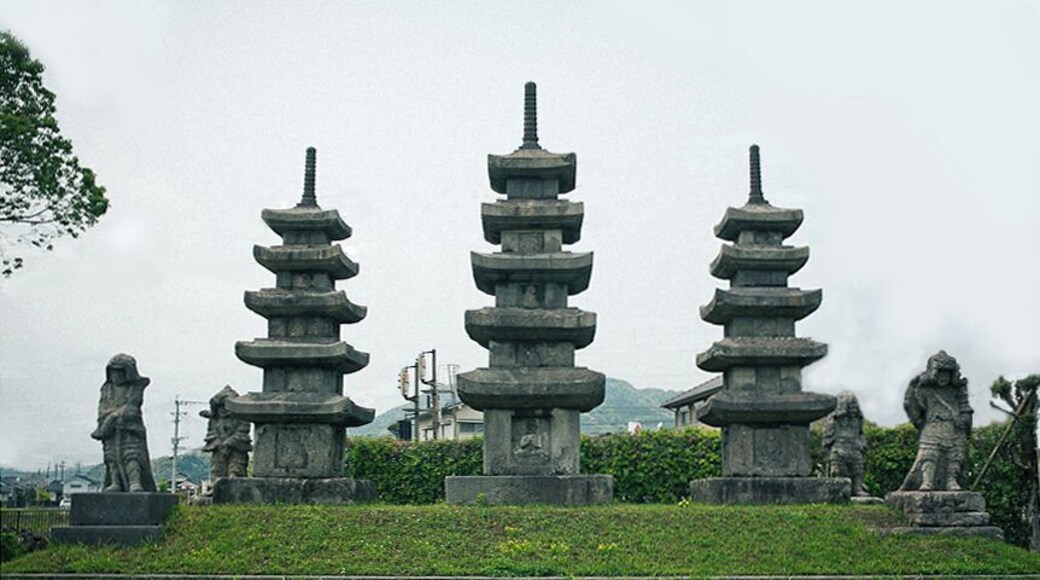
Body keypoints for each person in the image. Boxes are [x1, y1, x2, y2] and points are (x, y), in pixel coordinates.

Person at [899, 350, 973, 491]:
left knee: (955, 456)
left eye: (947, 373)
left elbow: (965, 407)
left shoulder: (958, 390)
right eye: (941, 372)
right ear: (934, 372)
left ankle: (951, 481)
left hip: (954, 428)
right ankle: (927, 482)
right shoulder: (925, 390)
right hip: (933, 425)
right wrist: (912, 390)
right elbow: (914, 408)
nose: (944, 376)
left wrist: (964, 419)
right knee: (928, 454)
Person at [90, 354, 157, 492]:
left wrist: (115, 415)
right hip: (109, 431)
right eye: (113, 372)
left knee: (132, 455)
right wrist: (107, 420)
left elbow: (133, 407)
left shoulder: (135, 387)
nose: (116, 376)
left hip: (130, 428)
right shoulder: (106, 389)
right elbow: (102, 408)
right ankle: (115, 482)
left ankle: (135, 482)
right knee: (111, 456)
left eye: (120, 372)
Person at [200, 385, 252, 479]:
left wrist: (230, 442)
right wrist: (219, 442)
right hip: (219, 447)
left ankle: (234, 481)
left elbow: (243, 431)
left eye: (226, 407)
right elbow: (212, 432)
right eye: (221, 407)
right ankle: (216, 486)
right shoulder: (215, 420)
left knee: (236, 467)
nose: (223, 410)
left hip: (237, 446)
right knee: (217, 468)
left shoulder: (242, 418)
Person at [822, 391, 868, 496]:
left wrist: (862, 443)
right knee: (839, 471)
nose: (854, 407)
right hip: (839, 449)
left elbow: (861, 433)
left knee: (857, 472)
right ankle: (839, 492)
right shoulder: (834, 419)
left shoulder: (858, 419)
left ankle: (857, 489)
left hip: (855, 449)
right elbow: (827, 436)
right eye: (851, 404)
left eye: (855, 404)